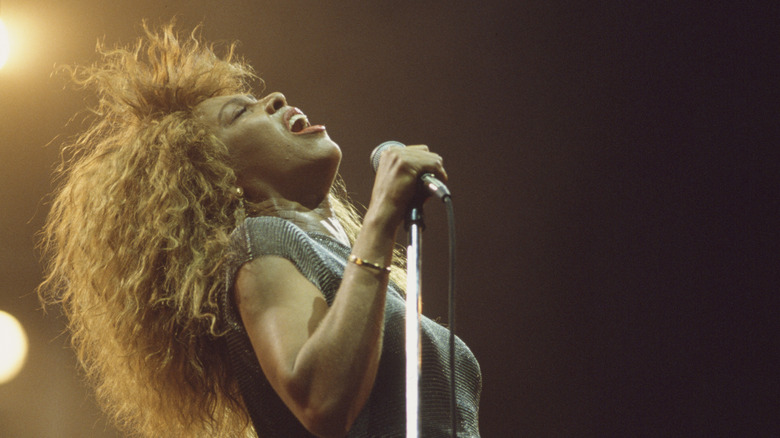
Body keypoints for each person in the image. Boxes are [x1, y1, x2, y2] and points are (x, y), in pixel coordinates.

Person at [40, 21, 481, 438]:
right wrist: (383, 214)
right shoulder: (262, 244)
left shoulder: (340, 263)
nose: (274, 98)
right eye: (240, 113)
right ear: (216, 175)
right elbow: (321, 402)